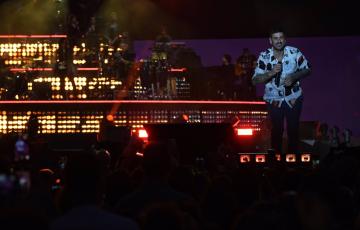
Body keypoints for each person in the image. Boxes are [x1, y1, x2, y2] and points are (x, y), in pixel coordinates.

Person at [252, 27, 311, 154]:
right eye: (275, 38)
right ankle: (276, 164)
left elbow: (307, 69)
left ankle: (293, 164)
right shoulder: (264, 56)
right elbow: (255, 80)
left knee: (293, 130)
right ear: (270, 40)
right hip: (273, 100)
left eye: (281, 38)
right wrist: (271, 73)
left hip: (293, 98)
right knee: (277, 130)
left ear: (285, 39)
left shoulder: (294, 52)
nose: (278, 41)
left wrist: (294, 77)